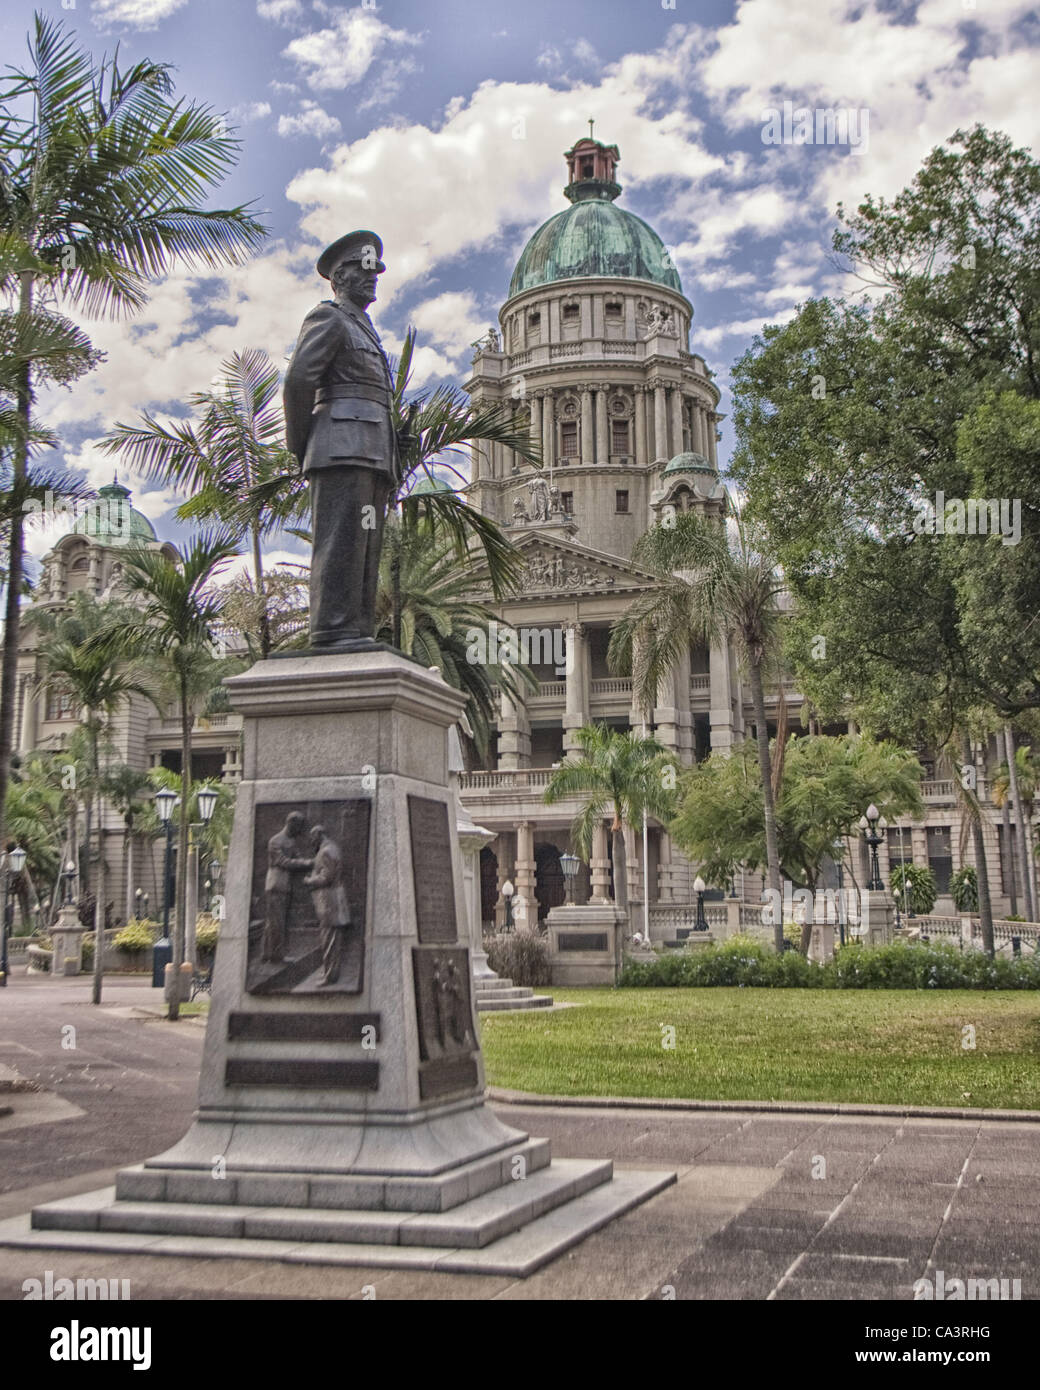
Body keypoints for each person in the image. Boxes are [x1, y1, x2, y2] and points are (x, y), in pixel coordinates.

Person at [283, 230, 414, 648]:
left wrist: (393, 444)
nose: (373, 277)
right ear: (340, 276)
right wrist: (304, 444)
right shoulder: (329, 318)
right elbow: (298, 382)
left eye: (375, 270)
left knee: (365, 543)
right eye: (365, 269)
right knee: (340, 540)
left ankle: (355, 629)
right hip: (339, 449)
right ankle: (331, 629)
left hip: (373, 453)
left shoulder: (364, 328)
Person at [262, 812, 313, 963]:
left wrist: (308, 864)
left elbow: (297, 857)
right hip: (276, 885)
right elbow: (283, 862)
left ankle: (267, 953)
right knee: (277, 922)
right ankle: (277, 955)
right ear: (291, 823)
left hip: (285, 885)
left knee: (274, 921)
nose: (300, 830)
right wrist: (306, 863)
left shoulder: (291, 841)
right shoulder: (275, 841)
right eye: (299, 826)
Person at [304, 824, 352, 986]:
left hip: (330, 904)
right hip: (329, 904)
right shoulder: (330, 849)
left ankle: (331, 977)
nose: (311, 841)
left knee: (330, 942)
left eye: (313, 837)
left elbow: (326, 878)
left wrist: (309, 880)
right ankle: (329, 973)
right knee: (329, 941)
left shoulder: (327, 851)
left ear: (319, 835)